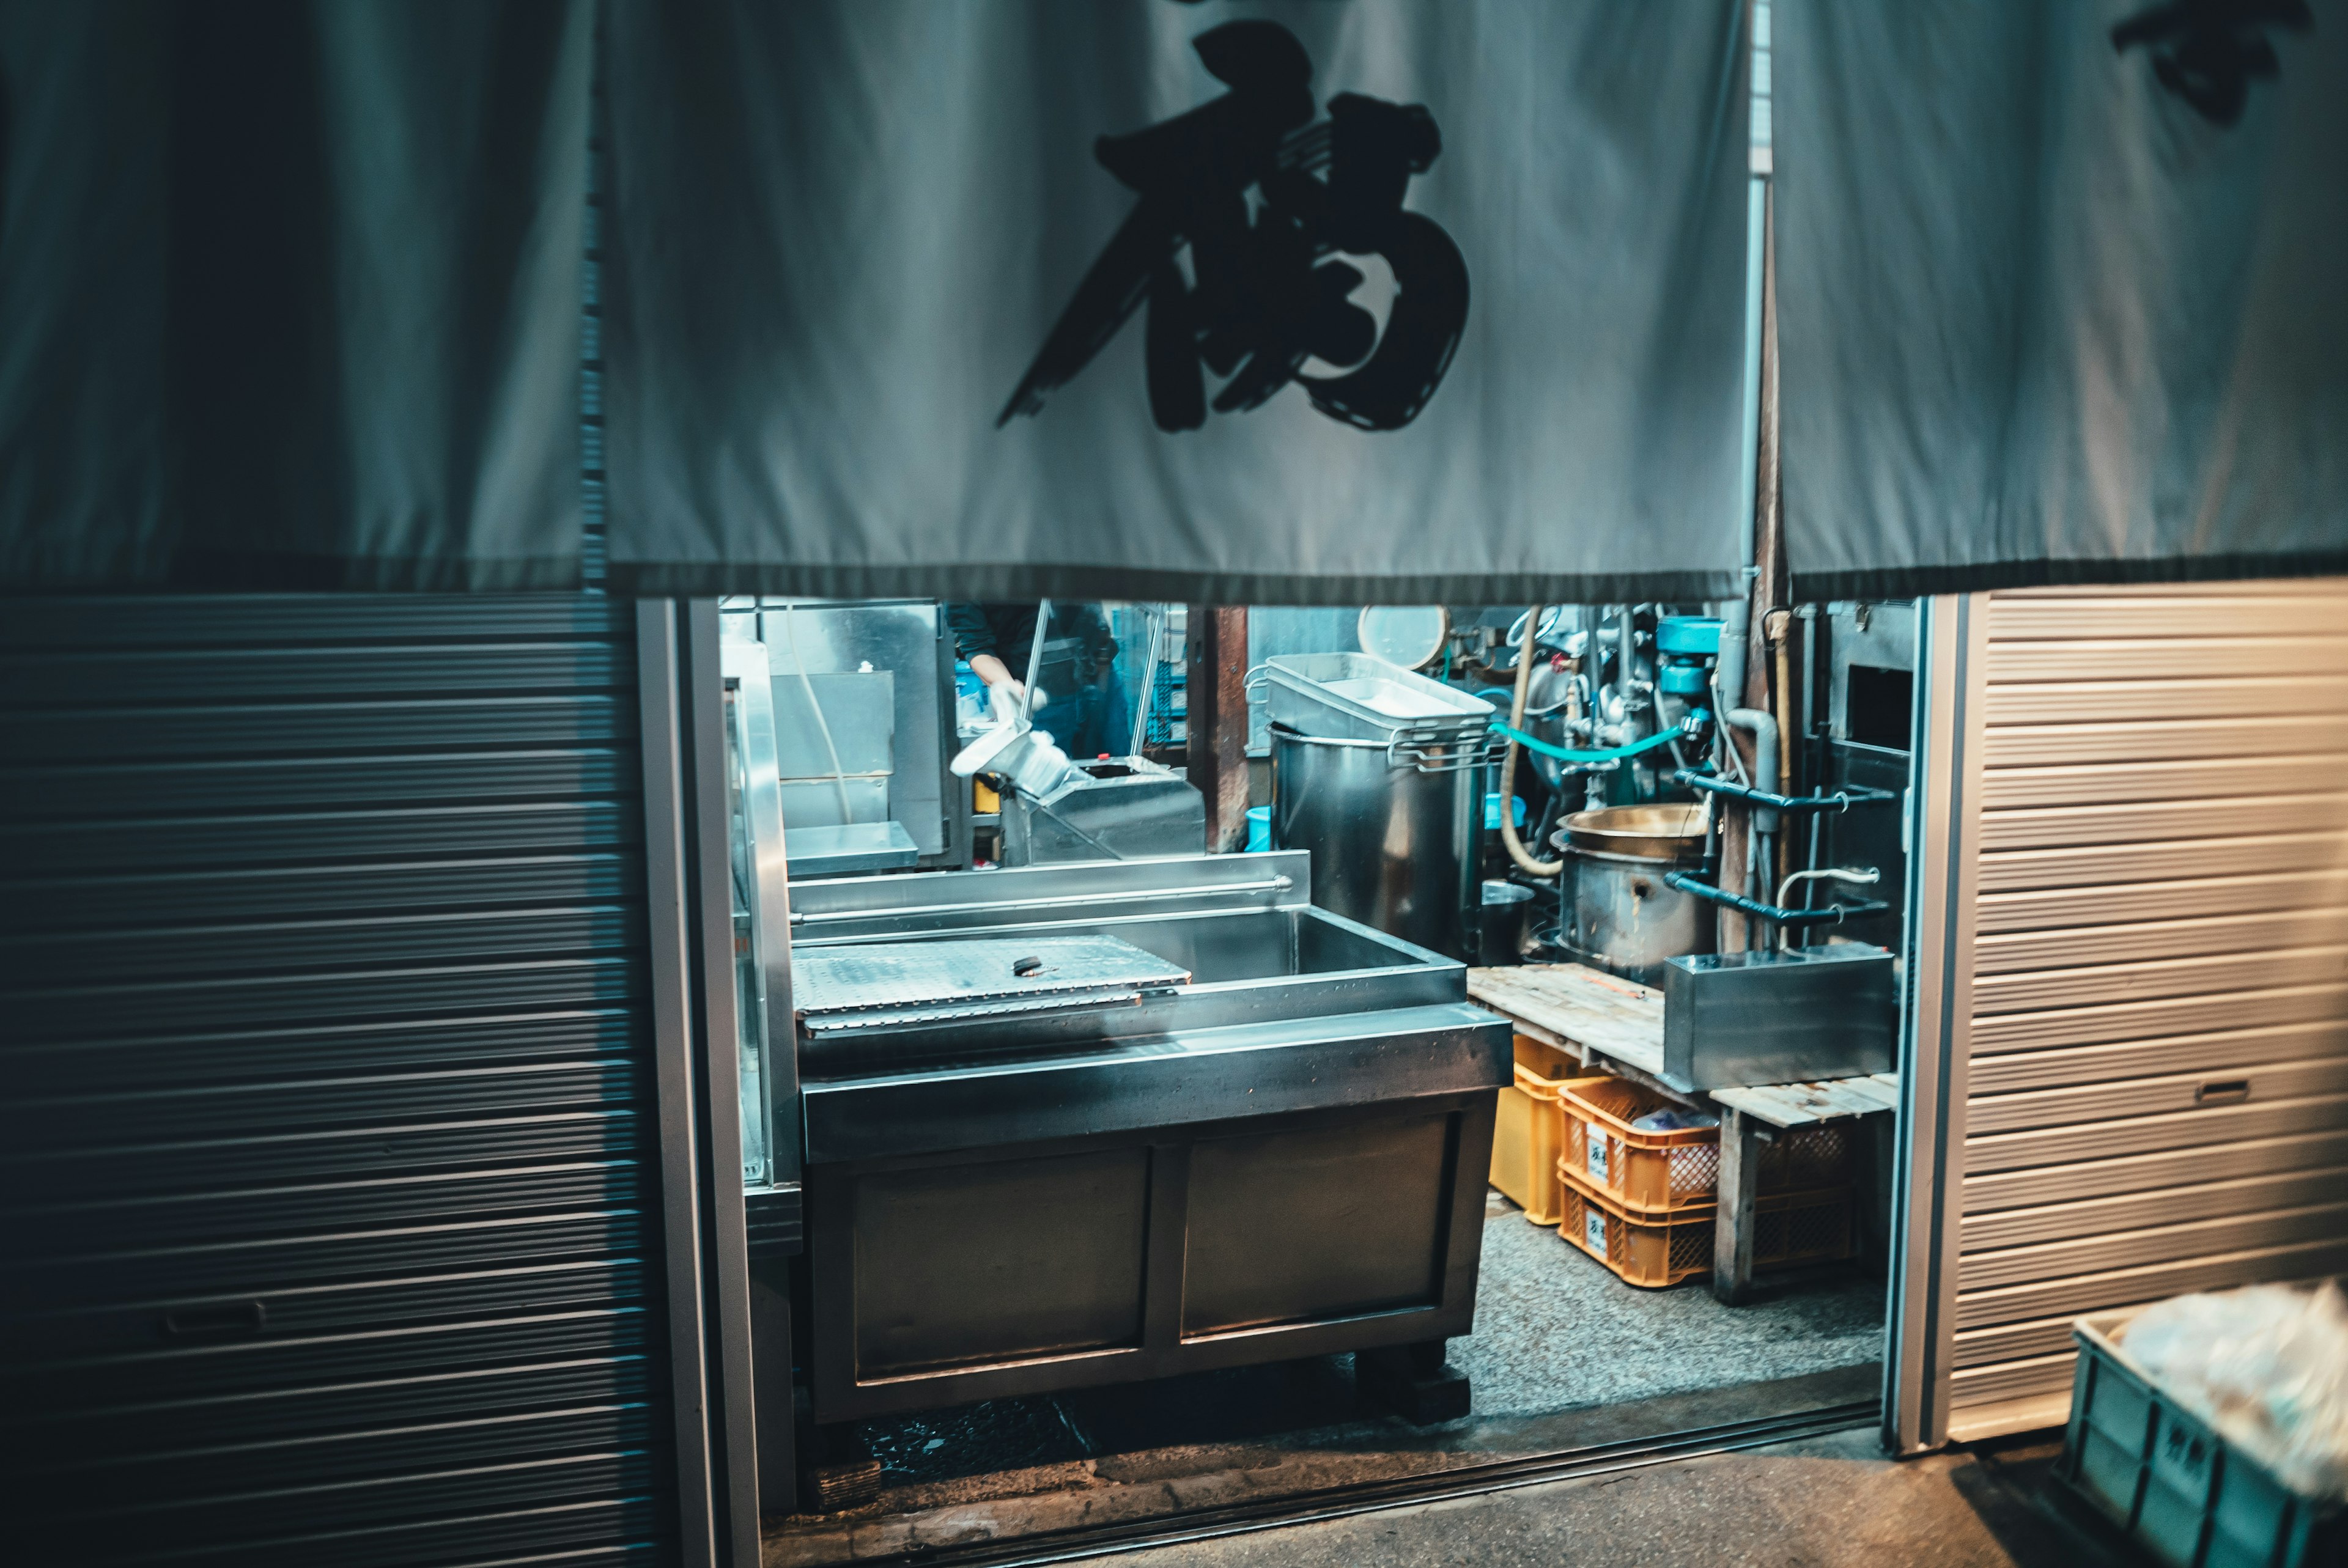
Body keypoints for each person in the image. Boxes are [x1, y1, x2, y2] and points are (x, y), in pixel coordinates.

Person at [947, 602, 1129, 759]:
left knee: (1119, 776)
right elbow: (978, 648)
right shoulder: (970, 575)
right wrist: (1009, 686)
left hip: (1101, 678)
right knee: (1048, 785)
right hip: (1039, 698)